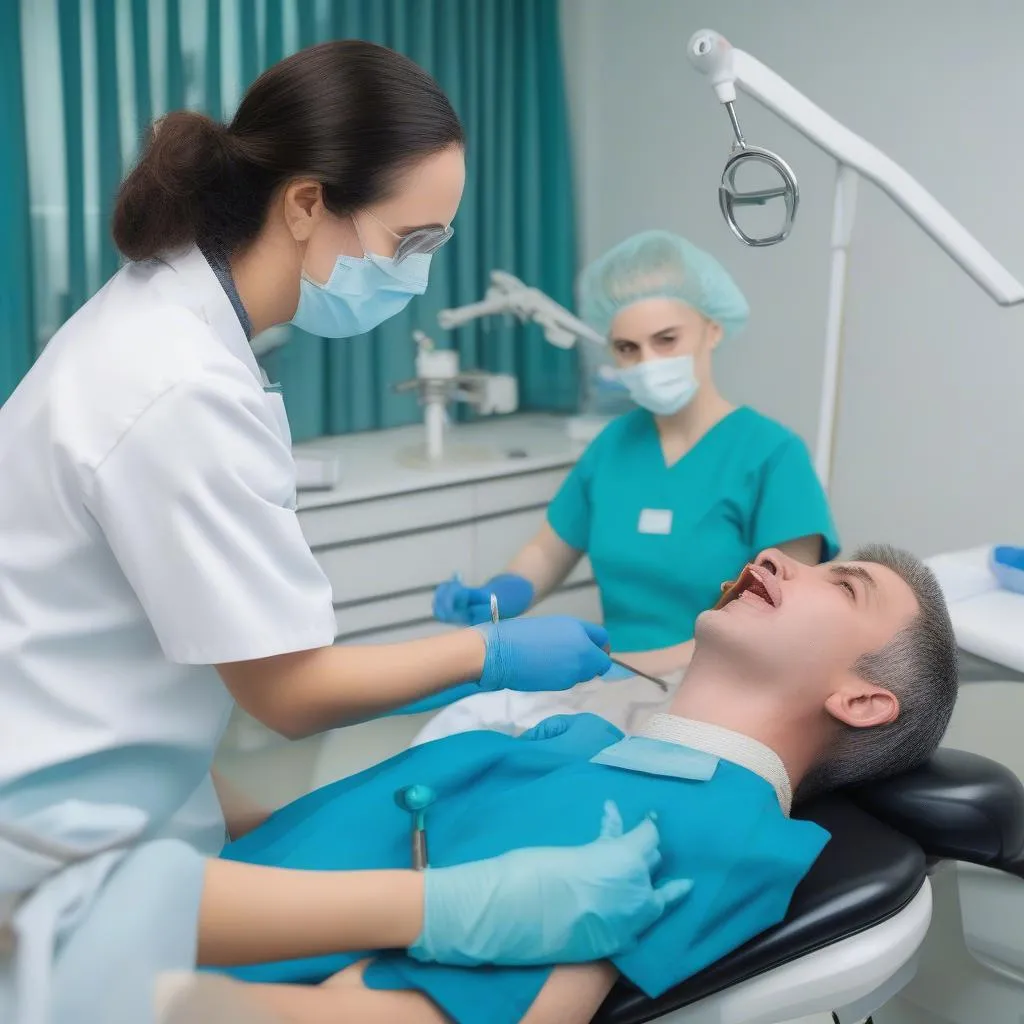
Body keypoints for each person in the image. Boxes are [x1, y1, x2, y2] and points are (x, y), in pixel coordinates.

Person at [0, 41, 681, 1024]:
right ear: (308, 203)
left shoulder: (177, 328)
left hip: (97, 812)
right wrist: (484, 653)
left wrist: (258, 821)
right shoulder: (177, 382)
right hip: (46, 859)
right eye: (410, 242)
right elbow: (286, 691)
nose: (420, 272)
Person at [165, 542, 957, 1023]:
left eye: (844, 586)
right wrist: (168, 765)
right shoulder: (583, 737)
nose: (780, 559)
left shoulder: (710, 825)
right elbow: (321, 848)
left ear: (861, 701)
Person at [433, 231, 839, 679]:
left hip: (723, 685)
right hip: (614, 680)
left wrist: (620, 670)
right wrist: (498, 594)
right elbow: (547, 553)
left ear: (713, 329)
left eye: (666, 340)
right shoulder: (612, 446)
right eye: (628, 348)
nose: (648, 362)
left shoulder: (773, 455)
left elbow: (781, 623)